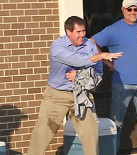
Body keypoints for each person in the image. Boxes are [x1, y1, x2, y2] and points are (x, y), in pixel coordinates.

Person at [27, 16, 122, 155]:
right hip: (57, 96)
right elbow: (78, 61)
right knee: (42, 133)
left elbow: (98, 74)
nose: (83, 35)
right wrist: (101, 56)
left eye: (84, 31)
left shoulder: (89, 45)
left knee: (91, 134)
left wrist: (79, 77)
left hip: (82, 95)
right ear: (68, 31)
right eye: (78, 32)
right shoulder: (58, 46)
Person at [90, 0, 137, 154]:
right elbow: (92, 42)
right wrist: (107, 61)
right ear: (123, 10)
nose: (132, 12)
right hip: (121, 84)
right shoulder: (114, 29)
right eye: (129, 9)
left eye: (135, 9)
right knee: (116, 123)